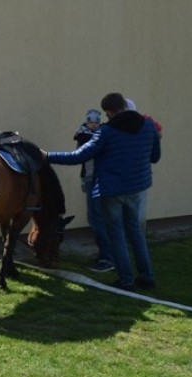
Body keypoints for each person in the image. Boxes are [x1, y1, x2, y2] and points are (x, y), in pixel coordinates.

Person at [46, 92, 161, 291]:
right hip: (137, 187)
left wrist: (47, 156)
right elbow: (154, 157)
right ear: (125, 105)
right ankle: (147, 277)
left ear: (108, 112)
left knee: (116, 235)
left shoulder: (106, 132)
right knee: (136, 233)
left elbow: (78, 156)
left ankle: (126, 281)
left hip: (111, 191)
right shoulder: (149, 126)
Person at [74, 109, 114, 273]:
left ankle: (107, 258)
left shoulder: (97, 137)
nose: (94, 125)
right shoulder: (84, 136)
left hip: (97, 180)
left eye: (96, 122)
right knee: (97, 218)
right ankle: (106, 255)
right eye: (91, 122)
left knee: (98, 219)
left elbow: (78, 157)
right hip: (92, 178)